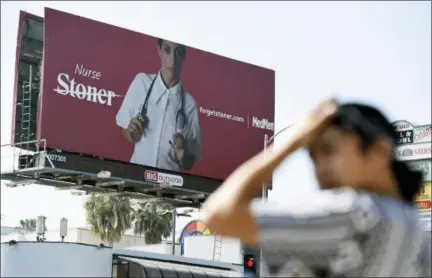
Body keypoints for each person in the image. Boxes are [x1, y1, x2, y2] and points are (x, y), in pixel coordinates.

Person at [203, 98, 431, 277]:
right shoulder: (415, 232)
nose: (320, 167)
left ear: (379, 150)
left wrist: (289, 143)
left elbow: (219, 215)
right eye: (313, 156)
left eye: (329, 150)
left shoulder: (352, 214)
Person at [116, 39, 202, 172]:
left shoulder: (189, 104)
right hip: (137, 177)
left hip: (169, 184)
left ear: (184, 56)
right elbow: (125, 134)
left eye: (178, 53)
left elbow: (189, 163)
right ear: (159, 50)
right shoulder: (141, 83)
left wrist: (182, 153)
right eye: (167, 50)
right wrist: (130, 133)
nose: (172, 59)